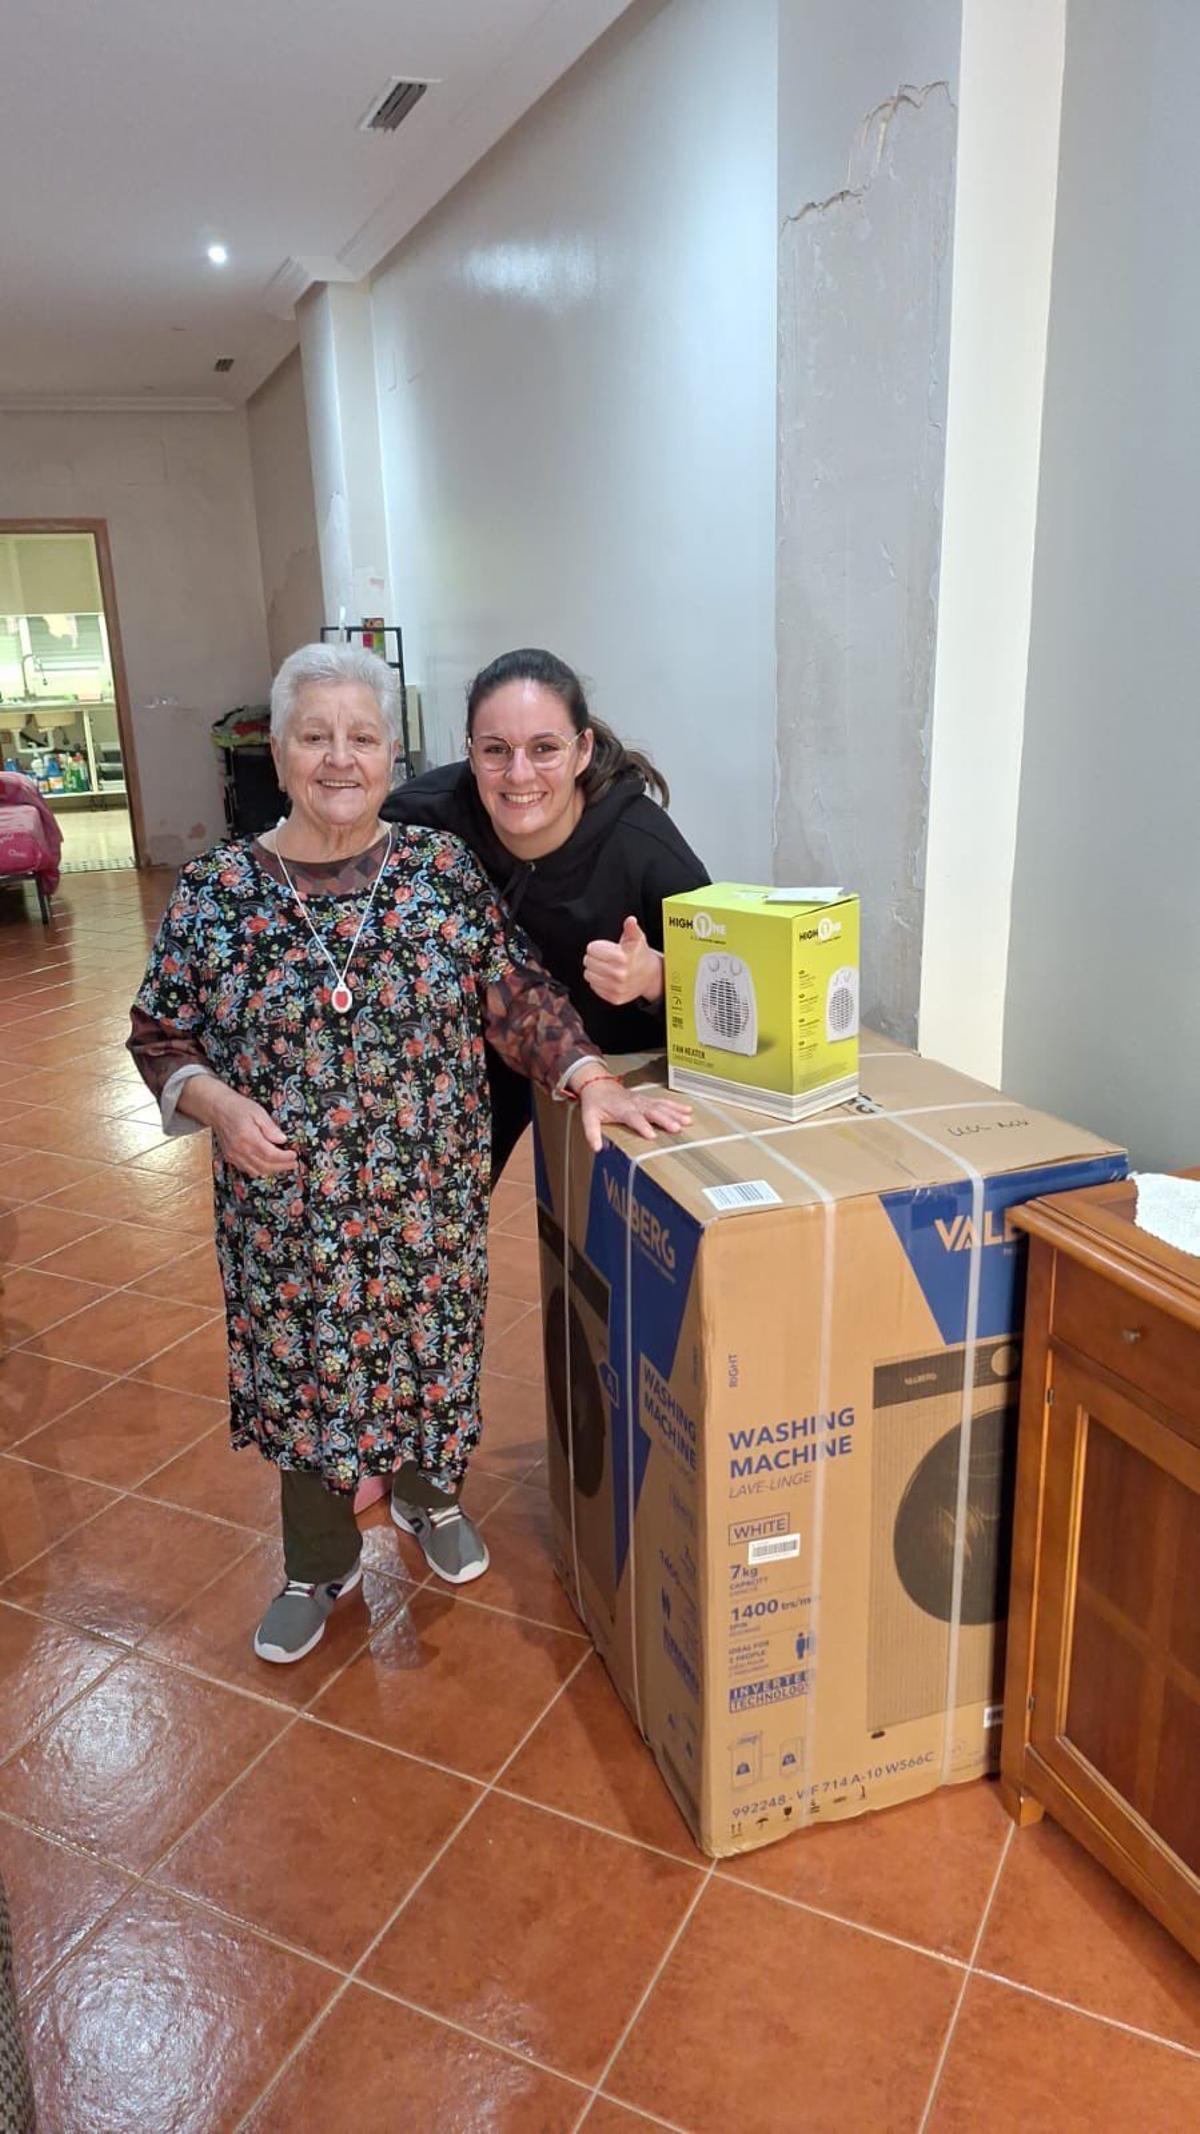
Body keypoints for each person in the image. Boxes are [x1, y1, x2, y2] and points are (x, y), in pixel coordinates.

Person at [128, 642, 689, 1665]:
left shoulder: (438, 871)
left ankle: (432, 1501)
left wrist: (589, 1076)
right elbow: (160, 1032)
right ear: (281, 750)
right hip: (287, 1209)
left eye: (362, 737)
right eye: (315, 736)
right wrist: (214, 1103)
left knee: (434, 1355)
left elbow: (514, 991)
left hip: (425, 1198)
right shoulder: (218, 892)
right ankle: (317, 1561)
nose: (339, 758)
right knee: (305, 1380)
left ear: (394, 753)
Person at [382, 648, 708, 1179]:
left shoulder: (645, 849)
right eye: (495, 750)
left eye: (544, 748)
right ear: (469, 752)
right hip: (480, 1054)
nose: (518, 773)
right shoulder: (420, 821)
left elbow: (730, 997)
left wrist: (658, 976)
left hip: (615, 1062)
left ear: (583, 750)